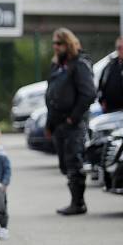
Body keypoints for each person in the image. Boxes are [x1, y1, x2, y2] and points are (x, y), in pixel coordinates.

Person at [44, 27, 96, 215]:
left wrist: (72, 118)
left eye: (59, 43)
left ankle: (78, 203)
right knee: (65, 165)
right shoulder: (58, 65)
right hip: (58, 124)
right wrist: (49, 124)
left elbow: (89, 94)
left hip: (74, 123)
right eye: (54, 43)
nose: (55, 47)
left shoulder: (79, 64)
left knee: (74, 163)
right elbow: (52, 95)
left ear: (68, 44)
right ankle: (75, 201)